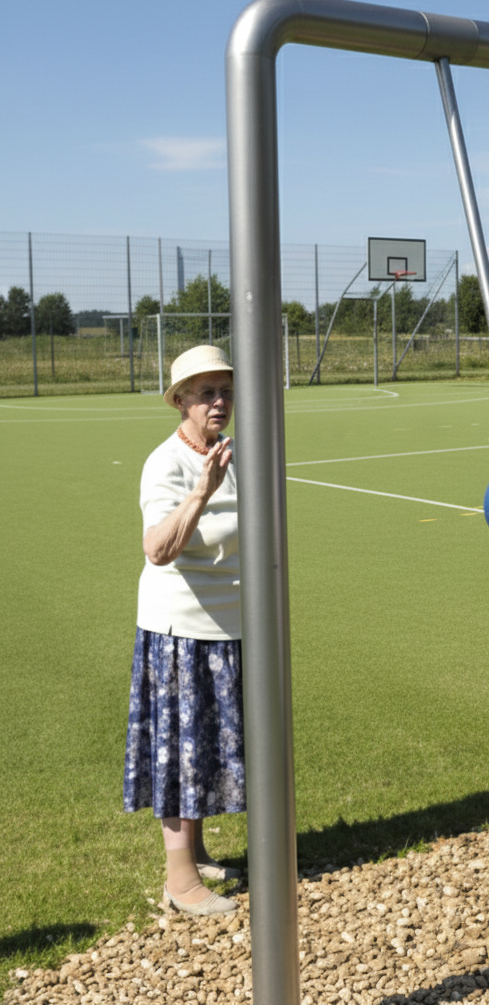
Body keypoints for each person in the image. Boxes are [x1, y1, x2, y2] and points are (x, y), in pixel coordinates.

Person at [123, 345, 244, 916]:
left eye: (225, 389)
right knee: (182, 753)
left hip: (229, 625)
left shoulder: (233, 453)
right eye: (205, 392)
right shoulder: (165, 463)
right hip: (179, 632)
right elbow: (157, 549)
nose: (219, 401)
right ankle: (179, 882)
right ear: (180, 402)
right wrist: (201, 490)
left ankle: (196, 852)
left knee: (210, 746)